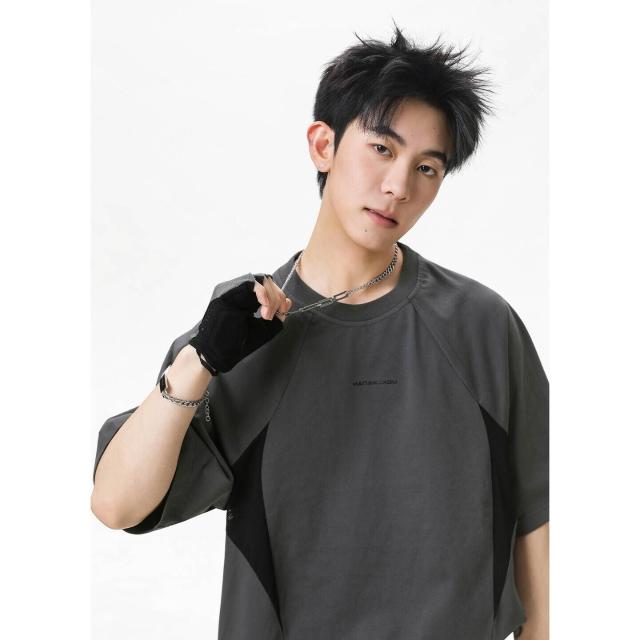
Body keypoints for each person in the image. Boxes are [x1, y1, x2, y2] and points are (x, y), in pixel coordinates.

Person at [91, 23, 549, 640]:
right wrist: (200, 361)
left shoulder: (483, 326)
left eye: (427, 168)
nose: (399, 186)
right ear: (323, 144)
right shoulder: (245, 331)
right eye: (382, 149)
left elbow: (539, 517)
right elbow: (116, 504)